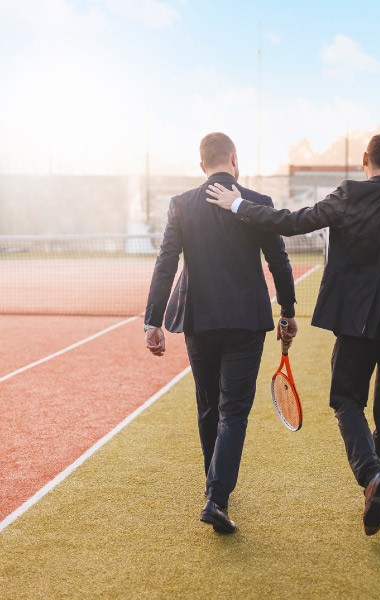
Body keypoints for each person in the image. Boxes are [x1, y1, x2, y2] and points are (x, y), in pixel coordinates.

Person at [206, 133, 380, 536]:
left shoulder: (348, 193)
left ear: (365, 159)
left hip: (354, 324)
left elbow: (293, 223)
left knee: (346, 401)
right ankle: (376, 488)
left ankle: (371, 475)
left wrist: (238, 205)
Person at [144, 132, 297, 534]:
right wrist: (288, 311)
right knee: (234, 412)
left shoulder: (182, 204)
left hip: (198, 319)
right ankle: (217, 496)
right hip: (245, 320)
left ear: (201, 165)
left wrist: (152, 321)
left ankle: (213, 486)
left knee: (209, 405)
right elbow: (278, 262)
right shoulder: (257, 204)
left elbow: (166, 264)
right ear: (233, 159)